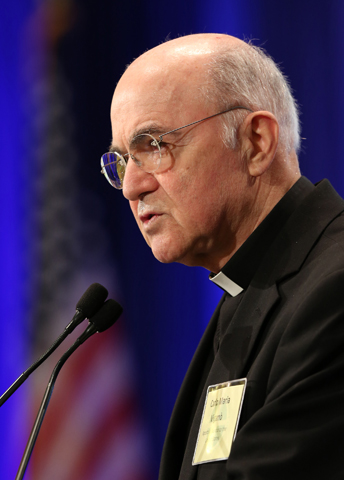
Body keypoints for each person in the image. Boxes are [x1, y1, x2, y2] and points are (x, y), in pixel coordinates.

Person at [101, 34, 344, 480]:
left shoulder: (334, 288)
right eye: (120, 160)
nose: (132, 185)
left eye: (154, 146)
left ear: (256, 142)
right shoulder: (249, 286)